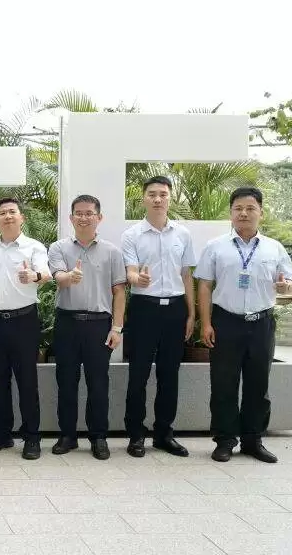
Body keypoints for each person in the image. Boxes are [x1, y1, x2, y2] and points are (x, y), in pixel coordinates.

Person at [195, 186, 292, 463]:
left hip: (261, 323)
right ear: (231, 213)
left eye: (250, 208)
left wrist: (286, 286)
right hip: (226, 322)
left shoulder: (274, 248)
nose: (244, 213)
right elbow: (204, 286)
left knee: (258, 385)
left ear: (261, 212)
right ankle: (225, 440)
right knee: (223, 384)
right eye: (238, 208)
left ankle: (253, 440)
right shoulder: (215, 246)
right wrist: (206, 324)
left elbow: (290, 282)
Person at [48, 194, 126, 460]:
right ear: (71, 218)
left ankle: (98, 437)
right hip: (67, 322)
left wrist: (117, 328)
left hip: (99, 325)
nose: (83, 218)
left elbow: (119, 292)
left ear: (99, 217)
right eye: (78, 213)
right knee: (66, 382)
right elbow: (58, 277)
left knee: (98, 383)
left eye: (89, 213)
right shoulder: (58, 248)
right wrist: (69, 277)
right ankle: (67, 435)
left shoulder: (112, 252)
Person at [121, 176, 194, 458]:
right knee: (138, 374)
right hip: (144, 309)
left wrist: (191, 314)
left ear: (170, 198)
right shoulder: (132, 235)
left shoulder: (183, 234)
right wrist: (136, 279)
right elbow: (130, 271)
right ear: (143, 198)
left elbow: (186, 276)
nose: (157, 199)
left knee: (169, 375)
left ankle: (164, 434)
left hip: (175, 310)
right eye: (152, 194)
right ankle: (135, 435)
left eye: (163, 194)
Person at [0, 197, 49, 460]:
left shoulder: (34, 247)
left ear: (21, 218)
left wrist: (34, 276)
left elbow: (46, 274)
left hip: (24, 321)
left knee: (27, 382)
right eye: (2, 213)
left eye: (12, 212)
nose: (7, 216)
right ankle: (2, 435)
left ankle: (32, 438)